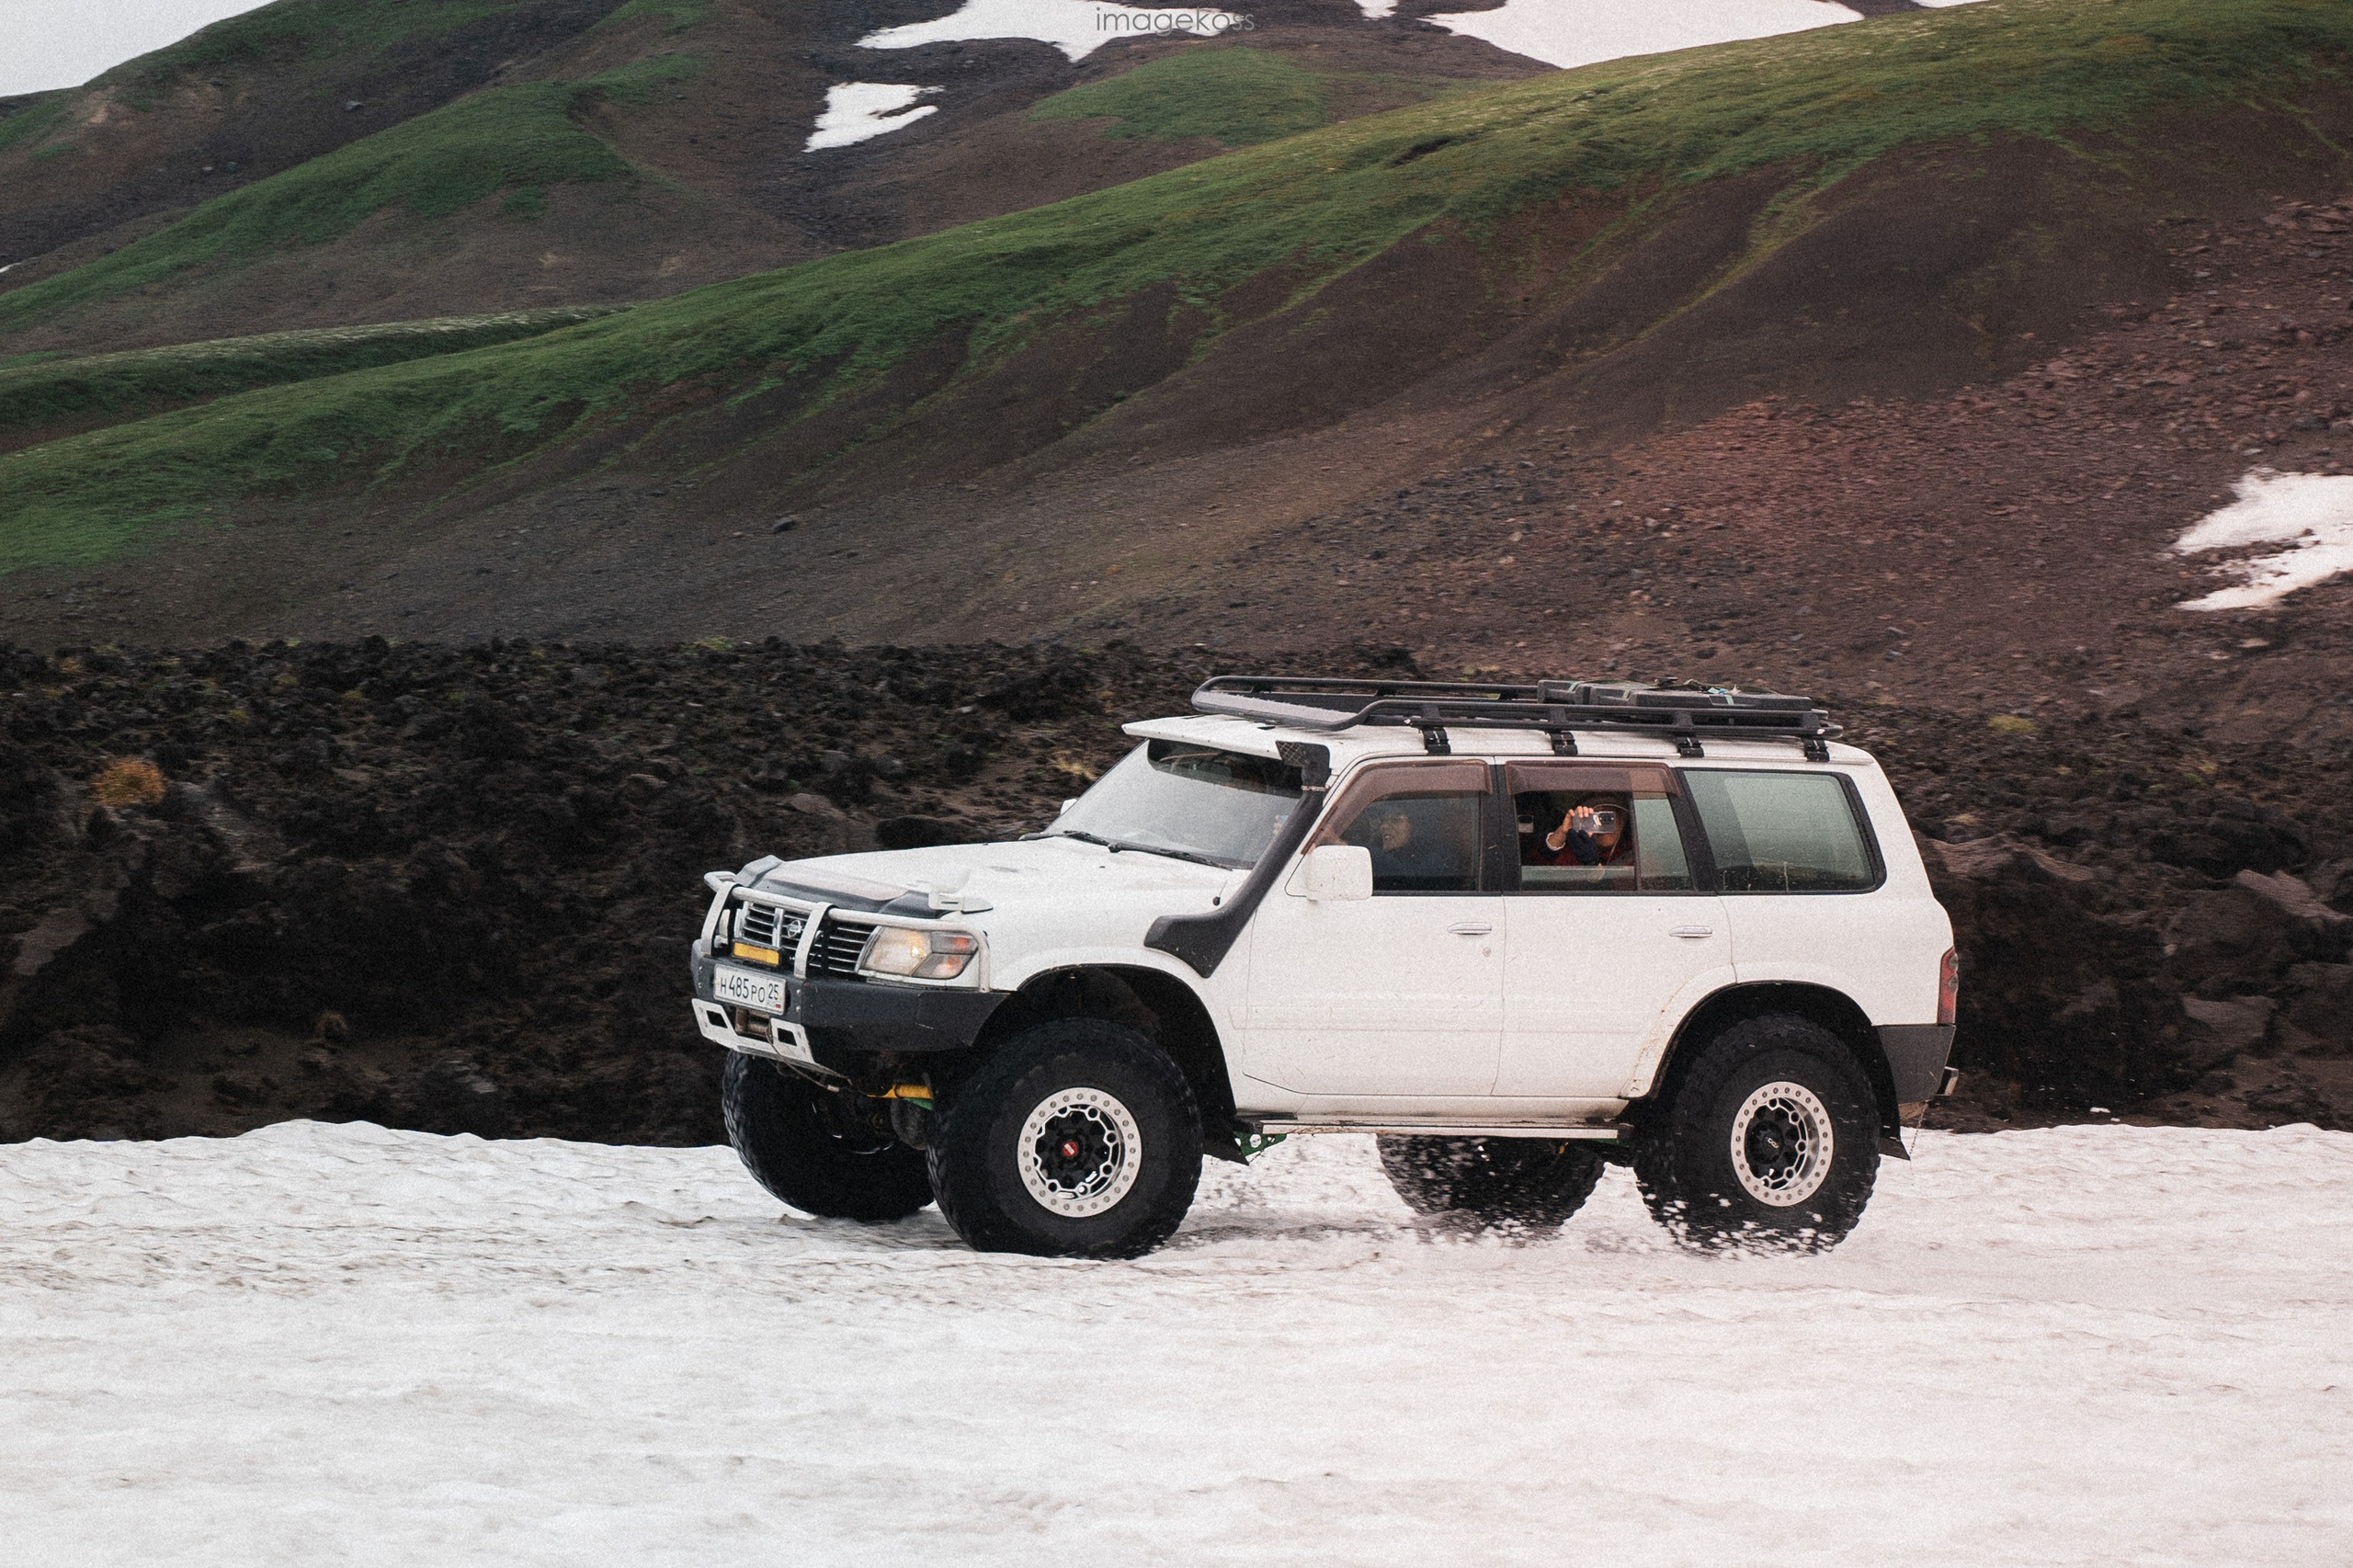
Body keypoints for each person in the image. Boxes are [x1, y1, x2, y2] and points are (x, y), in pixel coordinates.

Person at [1525, 794, 1635, 868]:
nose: (1600, 823)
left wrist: (1592, 865)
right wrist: (1562, 832)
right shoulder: (1572, 850)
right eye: (1593, 816)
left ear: (1623, 819)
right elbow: (1532, 868)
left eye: (1607, 817)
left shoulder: (1635, 852)